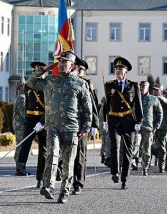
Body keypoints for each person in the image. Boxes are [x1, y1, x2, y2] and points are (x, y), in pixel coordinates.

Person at [28, 51, 92, 204]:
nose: (62, 64)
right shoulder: (50, 81)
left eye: (65, 62)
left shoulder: (80, 83)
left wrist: (86, 127)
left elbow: (87, 108)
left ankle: (64, 191)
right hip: (52, 127)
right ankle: (48, 186)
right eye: (60, 62)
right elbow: (31, 82)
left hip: (71, 128)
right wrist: (47, 68)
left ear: (72, 66)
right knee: (51, 154)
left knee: (69, 161)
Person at [103, 57, 143, 189]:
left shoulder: (133, 85)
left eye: (121, 69)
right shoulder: (109, 85)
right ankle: (115, 172)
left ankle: (125, 178)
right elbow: (107, 104)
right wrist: (104, 120)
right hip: (114, 119)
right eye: (116, 69)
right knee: (114, 146)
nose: (118, 71)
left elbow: (138, 104)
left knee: (127, 150)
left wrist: (139, 120)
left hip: (128, 121)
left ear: (126, 71)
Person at [16, 61, 47, 189]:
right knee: (25, 141)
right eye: (35, 72)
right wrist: (27, 119)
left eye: (39, 72)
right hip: (30, 118)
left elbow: (49, 106)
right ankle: (21, 164)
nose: (37, 75)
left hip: (42, 118)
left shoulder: (47, 86)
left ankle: (41, 177)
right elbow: (28, 102)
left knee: (43, 149)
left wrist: (43, 121)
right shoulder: (29, 86)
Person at [71, 57, 99, 195]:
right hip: (69, 122)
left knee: (80, 154)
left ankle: (78, 183)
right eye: (75, 68)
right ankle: (67, 179)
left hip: (82, 122)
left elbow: (93, 104)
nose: (77, 71)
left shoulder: (87, 84)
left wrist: (94, 123)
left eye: (79, 70)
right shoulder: (68, 81)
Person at [138, 81, 163, 176]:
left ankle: (144, 167)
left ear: (148, 87)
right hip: (136, 127)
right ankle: (133, 160)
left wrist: (156, 126)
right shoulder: (135, 98)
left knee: (146, 149)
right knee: (134, 145)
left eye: (144, 86)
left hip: (148, 128)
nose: (142, 87)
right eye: (140, 86)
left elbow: (160, 113)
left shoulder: (153, 99)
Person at [12, 82, 25, 167]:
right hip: (20, 125)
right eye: (24, 86)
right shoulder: (21, 98)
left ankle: (19, 164)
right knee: (20, 144)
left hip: (20, 124)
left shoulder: (22, 97)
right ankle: (18, 164)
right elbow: (23, 113)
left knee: (21, 144)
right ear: (20, 88)